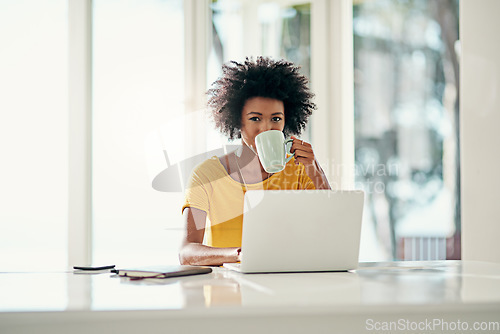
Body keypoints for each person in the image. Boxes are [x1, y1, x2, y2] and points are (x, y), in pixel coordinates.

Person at [179, 57, 330, 266]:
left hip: (287, 285)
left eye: (276, 118)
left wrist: (315, 170)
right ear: (236, 120)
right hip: (227, 291)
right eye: (255, 118)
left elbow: (331, 228)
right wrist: (239, 255)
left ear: (287, 120)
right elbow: (187, 252)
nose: (266, 128)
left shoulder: (300, 170)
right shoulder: (206, 175)